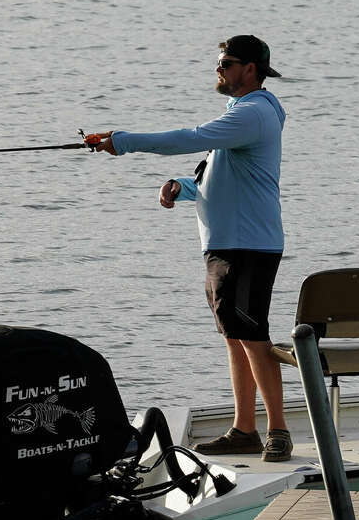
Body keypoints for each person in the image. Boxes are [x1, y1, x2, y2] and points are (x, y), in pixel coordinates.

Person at [93, 35, 291, 462]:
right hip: (225, 246)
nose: (219, 69)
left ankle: (277, 430)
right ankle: (244, 429)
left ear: (251, 69)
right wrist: (181, 187)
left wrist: (122, 140)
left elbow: (187, 137)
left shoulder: (254, 112)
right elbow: (215, 179)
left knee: (253, 337)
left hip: (247, 246)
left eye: (227, 63)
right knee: (234, 338)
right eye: (219, 62)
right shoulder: (240, 114)